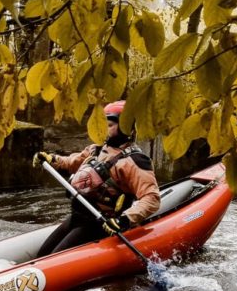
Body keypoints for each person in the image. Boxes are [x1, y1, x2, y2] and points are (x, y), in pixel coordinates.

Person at [33, 100, 161, 257]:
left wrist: (125, 220)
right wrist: (51, 159)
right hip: (77, 217)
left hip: (99, 224)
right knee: (42, 255)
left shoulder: (136, 161)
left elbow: (151, 198)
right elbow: (72, 163)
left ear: (125, 128)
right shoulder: (97, 149)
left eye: (109, 125)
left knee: (51, 259)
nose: (104, 130)